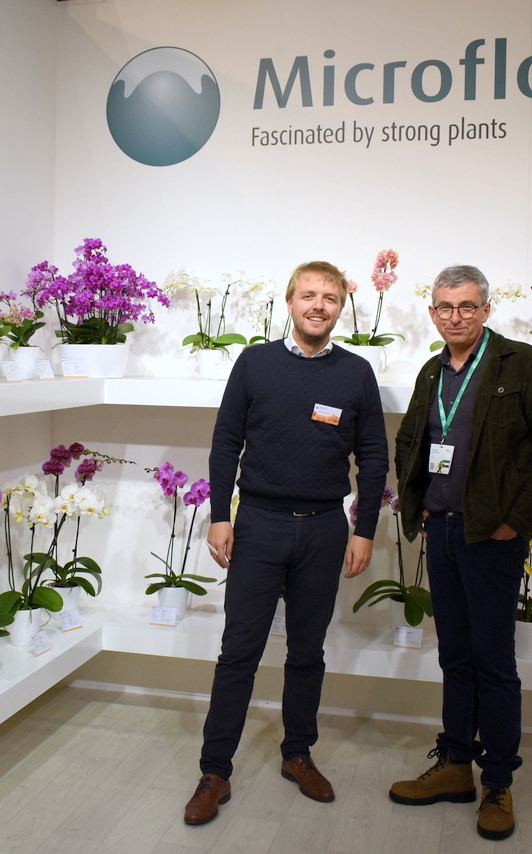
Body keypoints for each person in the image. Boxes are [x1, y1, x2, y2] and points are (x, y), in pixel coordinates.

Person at [183, 260, 389, 826]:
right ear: (290, 302)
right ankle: (215, 771)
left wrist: (365, 528)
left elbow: (374, 457)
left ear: (341, 306)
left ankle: (297, 754)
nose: (318, 305)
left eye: (329, 297)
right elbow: (226, 441)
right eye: (308, 295)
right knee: (238, 652)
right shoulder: (255, 362)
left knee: (307, 652)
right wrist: (219, 516)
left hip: (324, 529)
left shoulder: (356, 373)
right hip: (259, 525)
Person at [388, 265, 532, 840]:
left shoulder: (521, 364)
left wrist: (514, 522)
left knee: (494, 663)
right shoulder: (431, 371)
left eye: (467, 306)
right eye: (445, 308)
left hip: (490, 540)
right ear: (433, 314)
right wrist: (419, 504)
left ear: (487, 310)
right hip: (443, 534)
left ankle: (497, 781)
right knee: (454, 657)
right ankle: (454, 766)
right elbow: (411, 440)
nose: (456, 317)